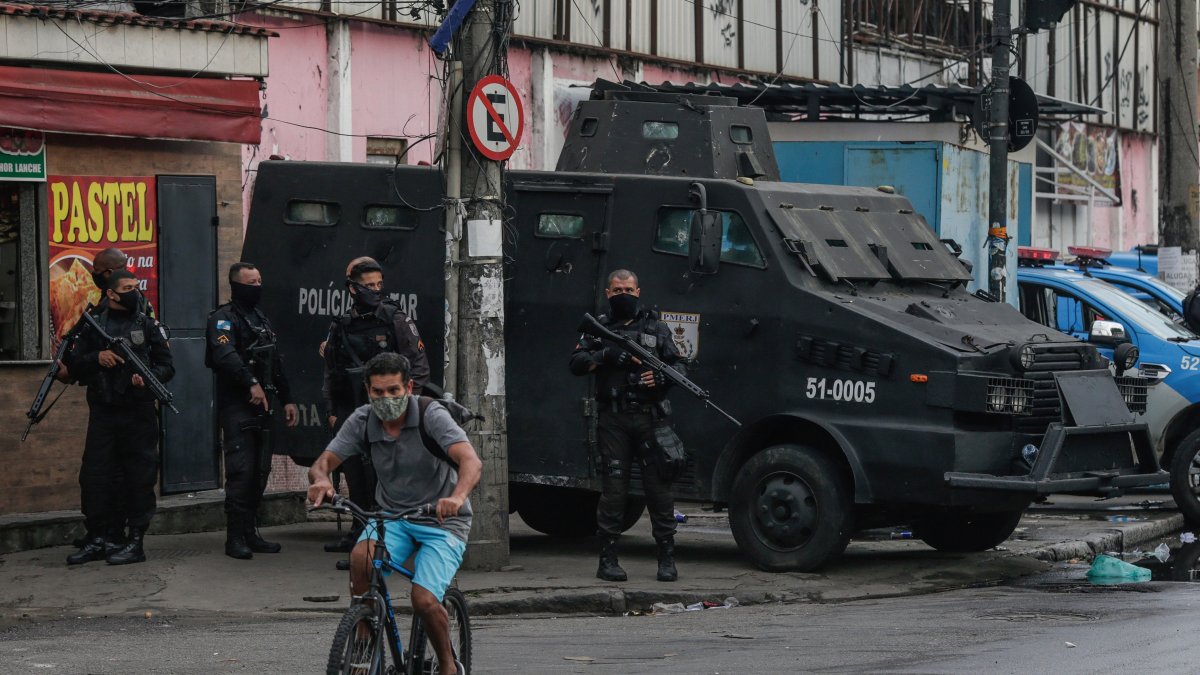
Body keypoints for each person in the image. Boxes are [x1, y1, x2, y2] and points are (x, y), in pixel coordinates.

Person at [308, 352, 479, 675]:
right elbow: (324, 462)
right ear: (368, 391)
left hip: (442, 520)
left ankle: (448, 666)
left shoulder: (432, 415)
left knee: (425, 600)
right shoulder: (362, 420)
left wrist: (456, 497)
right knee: (361, 558)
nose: (385, 399)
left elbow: (471, 462)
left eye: (393, 391)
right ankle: (364, 645)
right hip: (392, 518)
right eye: (378, 392)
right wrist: (319, 480)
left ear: (408, 387)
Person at [569, 269, 684, 582]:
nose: (624, 295)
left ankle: (667, 559)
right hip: (614, 421)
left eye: (629, 290)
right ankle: (607, 560)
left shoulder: (656, 328)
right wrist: (607, 356)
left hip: (651, 419)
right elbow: (576, 363)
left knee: (659, 491)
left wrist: (661, 378)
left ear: (638, 291)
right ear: (608, 293)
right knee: (614, 492)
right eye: (617, 290)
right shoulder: (600, 328)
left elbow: (678, 365)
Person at [64, 271, 174, 565]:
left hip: (138, 413)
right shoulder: (92, 324)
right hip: (103, 412)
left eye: (136, 287)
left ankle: (135, 541)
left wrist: (147, 379)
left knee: (139, 478)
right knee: (95, 477)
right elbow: (71, 365)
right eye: (127, 288)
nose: (134, 293)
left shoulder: (147, 324)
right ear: (111, 293)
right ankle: (99, 538)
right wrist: (95, 359)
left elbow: (167, 368)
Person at [322, 256, 430, 552]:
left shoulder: (395, 319)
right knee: (355, 474)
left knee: (383, 476)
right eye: (369, 285)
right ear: (353, 289)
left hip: (387, 410)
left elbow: (418, 367)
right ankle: (359, 532)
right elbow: (332, 369)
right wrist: (332, 411)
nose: (376, 290)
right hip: (351, 409)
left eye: (379, 284)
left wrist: (403, 408)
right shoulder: (342, 324)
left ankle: (383, 540)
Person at [206, 262, 299, 560]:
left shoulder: (260, 318)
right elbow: (225, 355)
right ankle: (234, 538)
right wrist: (250, 383)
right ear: (236, 286)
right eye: (251, 282)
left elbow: (276, 360)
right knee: (241, 471)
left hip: (265, 406)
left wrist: (288, 398)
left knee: (261, 471)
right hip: (238, 407)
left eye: (260, 281)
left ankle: (250, 531)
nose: (258, 287)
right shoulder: (222, 319)